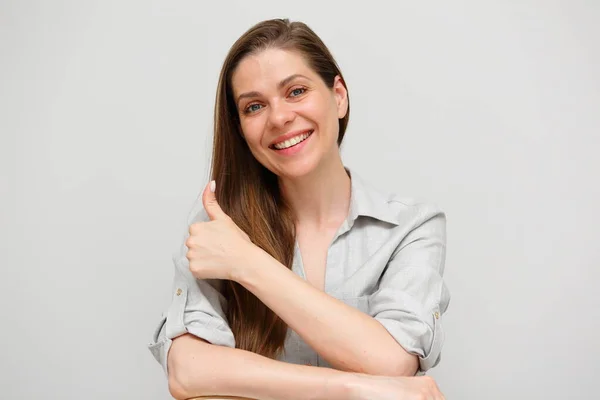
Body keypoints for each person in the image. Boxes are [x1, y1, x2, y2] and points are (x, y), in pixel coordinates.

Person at [148, 18, 450, 400]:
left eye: (296, 91)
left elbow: (392, 362)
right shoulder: (219, 221)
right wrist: (350, 387)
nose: (278, 118)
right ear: (240, 128)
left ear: (338, 96)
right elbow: (186, 371)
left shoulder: (411, 226)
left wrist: (246, 263)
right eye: (254, 106)